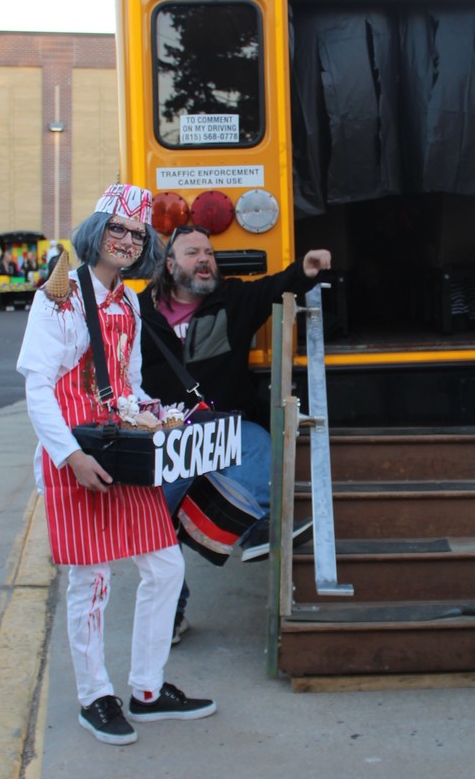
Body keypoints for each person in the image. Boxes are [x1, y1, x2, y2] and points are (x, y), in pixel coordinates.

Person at [16, 184, 216, 746]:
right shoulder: (57, 297)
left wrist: (160, 416)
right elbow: (37, 386)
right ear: (96, 231)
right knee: (92, 579)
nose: (127, 240)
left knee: (164, 566)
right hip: (76, 449)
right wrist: (70, 456)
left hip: (123, 445)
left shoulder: (129, 301)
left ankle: (147, 689)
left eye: (137, 233)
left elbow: (127, 382)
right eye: (117, 229)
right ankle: (94, 696)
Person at [138, 225, 331, 640]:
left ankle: (256, 529)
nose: (205, 259)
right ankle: (170, 610)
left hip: (226, 425)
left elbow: (275, 287)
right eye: (193, 253)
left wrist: (306, 268)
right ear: (170, 266)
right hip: (166, 437)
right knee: (157, 521)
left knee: (260, 448)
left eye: (209, 252)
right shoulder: (138, 313)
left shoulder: (233, 299)